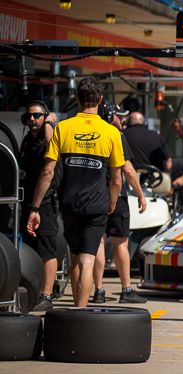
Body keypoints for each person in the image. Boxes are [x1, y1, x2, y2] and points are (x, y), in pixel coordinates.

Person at [26, 77, 124, 308]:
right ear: (100, 99)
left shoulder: (63, 128)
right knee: (88, 259)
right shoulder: (111, 132)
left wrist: (34, 207)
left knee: (76, 257)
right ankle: (81, 311)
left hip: (69, 204)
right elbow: (116, 179)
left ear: (78, 99)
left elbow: (48, 172)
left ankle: (76, 312)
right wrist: (112, 202)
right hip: (97, 205)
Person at [92, 102, 148, 304]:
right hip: (118, 196)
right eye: (119, 115)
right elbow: (128, 170)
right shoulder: (116, 135)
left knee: (98, 242)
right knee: (120, 243)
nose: (122, 119)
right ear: (110, 116)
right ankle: (126, 290)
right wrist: (140, 194)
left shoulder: (92, 134)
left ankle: (98, 290)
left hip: (94, 195)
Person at [17, 100, 59, 311]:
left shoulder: (50, 138)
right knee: (29, 248)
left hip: (45, 204)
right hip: (27, 202)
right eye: (29, 116)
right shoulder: (27, 141)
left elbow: (52, 147)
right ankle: (34, 290)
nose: (32, 119)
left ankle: (47, 295)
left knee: (46, 251)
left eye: (37, 115)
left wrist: (50, 123)